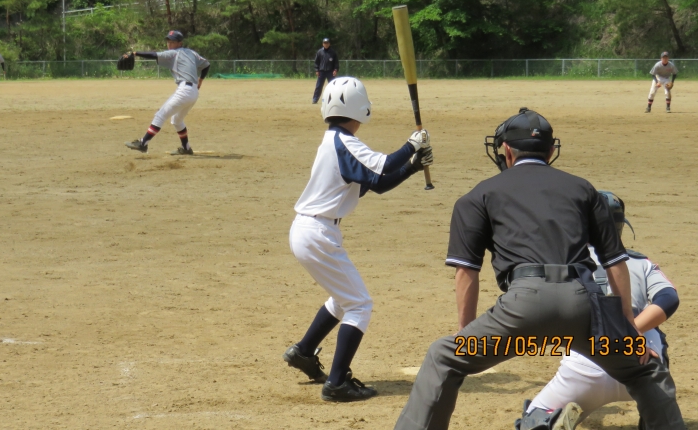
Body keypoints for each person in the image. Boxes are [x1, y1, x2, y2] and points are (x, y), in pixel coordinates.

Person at [393, 107, 684, 430]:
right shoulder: (583, 189)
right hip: (582, 306)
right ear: (550, 151)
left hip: (523, 307)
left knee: (444, 356)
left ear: (506, 150)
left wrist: (466, 334)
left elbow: (467, 272)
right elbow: (615, 261)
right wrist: (628, 328)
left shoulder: (479, 195)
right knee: (646, 370)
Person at [283, 76, 433, 402]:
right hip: (318, 233)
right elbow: (384, 165)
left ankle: (304, 351)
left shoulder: (333, 142)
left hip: (310, 231)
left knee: (344, 299)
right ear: (361, 109)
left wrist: (411, 166)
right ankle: (337, 383)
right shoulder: (344, 142)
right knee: (360, 304)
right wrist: (412, 144)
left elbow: (377, 183)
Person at [518, 190, 679, 430]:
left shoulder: (564, 265)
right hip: (642, 364)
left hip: (583, 369)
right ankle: (653, 414)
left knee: (532, 419)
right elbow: (669, 299)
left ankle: (547, 418)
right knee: (657, 338)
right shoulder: (640, 262)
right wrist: (628, 330)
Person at [125, 30, 210, 155]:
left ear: (180, 43)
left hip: (185, 90)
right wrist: (200, 80)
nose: (169, 44)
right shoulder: (191, 52)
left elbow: (154, 55)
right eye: (168, 41)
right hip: (193, 93)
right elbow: (206, 65)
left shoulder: (173, 53)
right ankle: (186, 148)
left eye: (172, 42)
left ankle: (143, 143)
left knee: (160, 115)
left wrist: (135, 53)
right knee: (177, 120)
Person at [312, 38, 339, 104]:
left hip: (330, 72)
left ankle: (334, 99)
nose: (326, 44)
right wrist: (317, 70)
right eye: (324, 43)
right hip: (321, 72)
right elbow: (316, 62)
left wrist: (335, 70)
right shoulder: (319, 52)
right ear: (323, 44)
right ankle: (315, 99)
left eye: (327, 43)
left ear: (329, 44)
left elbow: (336, 63)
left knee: (333, 86)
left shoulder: (333, 52)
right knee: (319, 86)